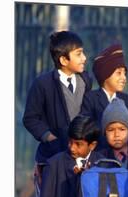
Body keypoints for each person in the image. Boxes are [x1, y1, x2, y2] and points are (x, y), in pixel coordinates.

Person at [23, 30, 92, 164]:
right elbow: (30, 118)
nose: (84, 58)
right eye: (78, 54)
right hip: (54, 155)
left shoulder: (86, 80)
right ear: (64, 60)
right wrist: (49, 137)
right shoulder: (43, 84)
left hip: (82, 154)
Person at [81, 43, 128, 148]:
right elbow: (87, 131)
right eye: (119, 73)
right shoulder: (91, 99)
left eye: (125, 73)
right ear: (105, 75)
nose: (124, 78)